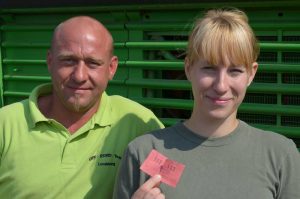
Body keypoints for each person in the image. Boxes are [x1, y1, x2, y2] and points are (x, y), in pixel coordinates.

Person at [114, 8, 300, 199]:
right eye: (209, 69)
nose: (221, 86)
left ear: (251, 74)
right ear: (188, 68)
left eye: (234, 71)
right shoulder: (143, 152)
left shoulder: (280, 155)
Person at [0, 16, 164, 198]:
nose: (79, 76)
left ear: (111, 68)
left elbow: (170, 185)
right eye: (68, 61)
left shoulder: (137, 123)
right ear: (50, 62)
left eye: (93, 63)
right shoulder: (5, 125)